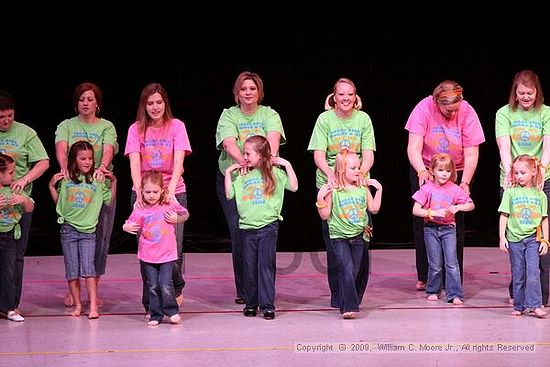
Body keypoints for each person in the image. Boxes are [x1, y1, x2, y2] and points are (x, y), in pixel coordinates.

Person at [405, 80, 485, 291]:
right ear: (436, 102)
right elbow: (413, 146)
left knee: (454, 221)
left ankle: (452, 277)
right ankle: (426, 275)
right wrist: (422, 171)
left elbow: (471, 152)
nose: (452, 114)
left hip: (456, 171)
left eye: (455, 110)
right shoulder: (424, 108)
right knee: (424, 220)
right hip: (426, 168)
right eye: (447, 110)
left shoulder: (467, 111)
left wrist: (465, 181)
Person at [215, 71, 286, 305]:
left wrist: (264, 162)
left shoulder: (269, 114)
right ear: (237, 92)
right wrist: (244, 163)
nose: (248, 92)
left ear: (259, 92)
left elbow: (273, 140)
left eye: (252, 89)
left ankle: (264, 295)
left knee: (265, 233)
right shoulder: (229, 115)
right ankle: (246, 291)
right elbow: (228, 143)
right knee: (240, 235)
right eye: (243, 89)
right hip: (238, 178)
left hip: (264, 178)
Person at [307, 77, 376, 309]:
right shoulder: (324, 119)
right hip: (331, 184)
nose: (346, 98)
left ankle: (354, 295)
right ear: (334, 97)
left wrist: (357, 175)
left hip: (357, 185)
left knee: (361, 244)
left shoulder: (363, 119)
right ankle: (339, 297)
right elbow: (319, 155)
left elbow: (368, 154)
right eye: (341, 94)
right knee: (335, 244)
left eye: (350, 94)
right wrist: (335, 176)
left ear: (355, 97)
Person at [125, 82, 192, 314]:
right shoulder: (135, 129)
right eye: (150, 103)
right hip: (145, 193)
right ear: (144, 105)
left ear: (165, 104)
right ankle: (150, 303)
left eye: (159, 102)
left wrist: (170, 191)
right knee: (147, 250)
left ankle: (174, 289)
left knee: (174, 249)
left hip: (172, 191)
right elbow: (134, 163)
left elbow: (178, 162)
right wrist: (138, 193)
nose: (155, 107)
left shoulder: (177, 126)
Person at [55, 82, 118, 307]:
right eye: (82, 99)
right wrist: (65, 170)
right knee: (72, 236)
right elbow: (62, 148)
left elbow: (108, 148)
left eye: (90, 99)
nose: (85, 103)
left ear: (97, 104)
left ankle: (94, 289)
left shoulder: (106, 126)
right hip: (74, 186)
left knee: (99, 238)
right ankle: (73, 290)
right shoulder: (66, 125)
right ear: (76, 103)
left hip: (97, 185)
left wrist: (102, 168)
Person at [224, 135, 297, 320]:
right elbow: (229, 194)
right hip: (247, 228)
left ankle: (267, 305)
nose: (244, 157)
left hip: (268, 227)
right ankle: (251, 303)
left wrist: (287, 165)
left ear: (261, 155)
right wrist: (227, 174)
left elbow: (294, 187)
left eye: (248, 153)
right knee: (249, 267)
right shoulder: (243, 176)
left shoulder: (275, 174)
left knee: (265, 266)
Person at [495, 69, 550, 306]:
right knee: (517, 240)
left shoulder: (546, 113)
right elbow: (504, 148)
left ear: (537, 92)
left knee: (540, 239)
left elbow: (548, 147)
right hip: (512, 180)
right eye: (522, 93)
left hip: (541, 181)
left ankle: (541, 295)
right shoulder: (504, 113)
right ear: (515, 94)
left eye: (530, 93)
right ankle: (517, 294)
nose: (526, 97)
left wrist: (539, 175)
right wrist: (513, 176)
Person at [48, 141, 116, 319]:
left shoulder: (96, 180)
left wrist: (113, 181)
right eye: (82, 158)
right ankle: (78, 305)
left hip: (88, 233)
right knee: (72, 270)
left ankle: (93, 306)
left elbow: (108, 200)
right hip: (68, 230)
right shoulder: (68, 180)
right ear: (74, 160)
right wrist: (51, 186)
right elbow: (60, 205)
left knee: (89, 270)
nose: (87, 162)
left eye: (90, 159)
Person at [316, 148, 382, 319]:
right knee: (346, 268)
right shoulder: (334, 190)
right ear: (341, 170)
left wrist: (379, 190)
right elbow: (325, 215)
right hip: (339, 237)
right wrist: (320, 198)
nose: (358, 171)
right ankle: (348, 308)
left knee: (353, 272)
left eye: (358, 167)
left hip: (359, 237)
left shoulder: (362, 189)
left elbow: (373, 209)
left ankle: (346, 303)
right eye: (353, 168)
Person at [0, 90, 49, 318]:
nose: (6, 120)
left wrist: (24, 179)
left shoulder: (26, 133)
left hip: (17, 204)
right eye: (1, 117)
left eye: (9, 115)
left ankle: (11, 303)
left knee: (15, 256)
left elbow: (43, 161)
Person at [123, 170, 189, 326]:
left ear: (162, 191)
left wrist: (177, 218)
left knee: (165, 283)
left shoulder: (169, 204)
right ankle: (156, 314)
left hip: (167, 254)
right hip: (148, 255)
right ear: (142, 192)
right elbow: (130, 221)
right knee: (152, 285)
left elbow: (185, 214)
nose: (151, 195)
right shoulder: (140, 208)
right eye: (148, 192)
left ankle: (172, 311)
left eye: (155, 191)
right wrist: (126, 226)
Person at [412, 153, 474, 305]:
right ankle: (433, 290)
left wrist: (458, 207)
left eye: (448, 171)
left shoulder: (455, 189)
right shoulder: (426, 189)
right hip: (431, 229)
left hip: (448, 230)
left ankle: (455, 293)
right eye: (440, 170)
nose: (444, 174)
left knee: (452, 262)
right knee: (435, 263)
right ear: (432, 171)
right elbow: (415, 209)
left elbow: (471, 205)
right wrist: (431, 213)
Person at [498, 154, 548, 318]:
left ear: (533, 171)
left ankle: (535, 304)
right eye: (516, 173)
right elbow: (504, 215)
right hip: (515, 240)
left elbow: (544, 219)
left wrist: (545, 240)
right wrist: (502, 237)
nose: (519, 176)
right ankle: (519, 305)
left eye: (522, 173)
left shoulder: (540, 195)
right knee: (518, 273)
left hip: (533, 239)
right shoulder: (510, 193)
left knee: (533, 272)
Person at [0, 153, 35, 322]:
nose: (14, 176)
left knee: (9, 271)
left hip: (10, 235)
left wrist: (23, 200)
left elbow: (29, 208)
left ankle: (10, 307)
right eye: (11, 172)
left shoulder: (14, 189)